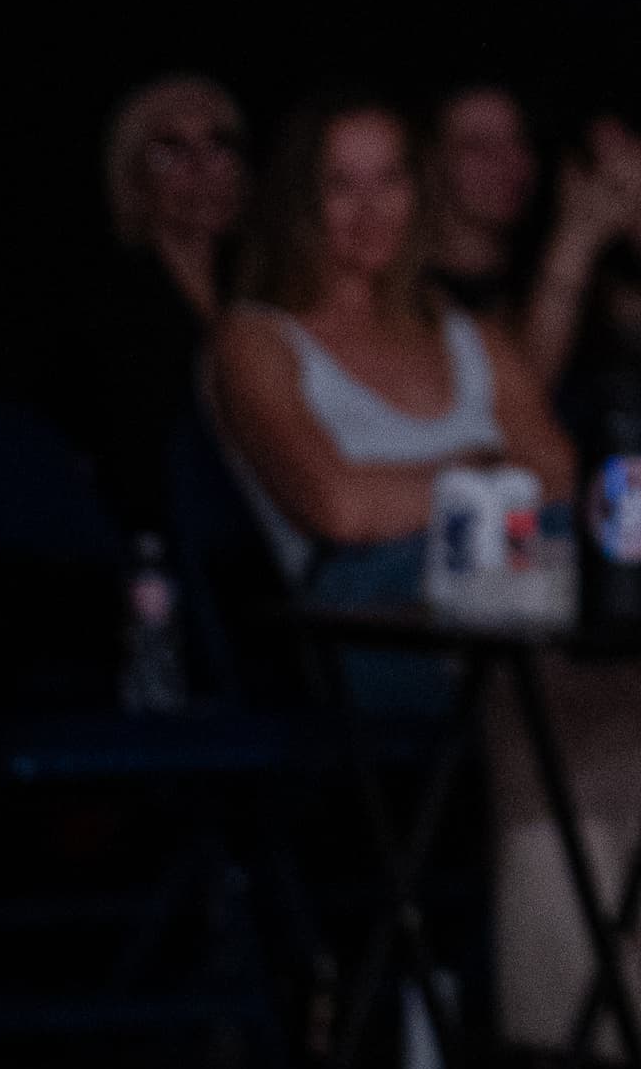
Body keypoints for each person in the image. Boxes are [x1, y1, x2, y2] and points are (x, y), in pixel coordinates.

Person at [208, 93, 575, 671]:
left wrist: (414, 491)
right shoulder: (257, 340)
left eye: (389, 180)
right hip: (368, 600)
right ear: (299, 202)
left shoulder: (470, 335)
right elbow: (341, 508)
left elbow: (558, 473)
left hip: (513, 568)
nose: (371, 210)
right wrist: (484, 469)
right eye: (340, 185)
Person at [423, 85, 641, 392]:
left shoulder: (546, 269)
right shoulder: (413, 290)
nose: (511, 160)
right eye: (477, 146)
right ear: (430, 163)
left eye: (520, 140)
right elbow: (515, 396)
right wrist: (578, 234)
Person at [51, 72, 247, 532]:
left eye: (218, 145)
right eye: (170, 150)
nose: (200, 169)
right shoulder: (107, 307)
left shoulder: (269, 286)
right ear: (132, 174)